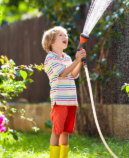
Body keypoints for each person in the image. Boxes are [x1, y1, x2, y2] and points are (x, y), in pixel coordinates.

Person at [42, 26, 86, 158]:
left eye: (65, 35)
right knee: (57, 131)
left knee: (65, 131)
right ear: (51, 42)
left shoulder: (66, 57)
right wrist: (76, 60)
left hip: (70, 100)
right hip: (59, 100)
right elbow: (62, 73)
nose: (65, 37)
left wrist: (79, 61)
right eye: (61, 35)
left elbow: (73, 74)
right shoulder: (50, 58)